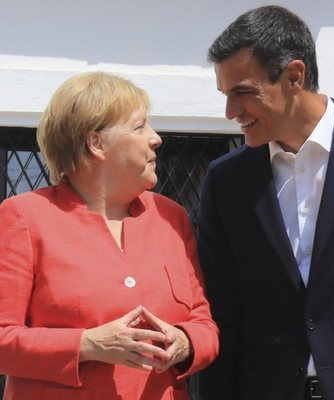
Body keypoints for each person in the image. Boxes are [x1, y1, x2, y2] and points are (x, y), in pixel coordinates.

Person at [196, 5, 334, 400]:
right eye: (225, 95)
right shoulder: (225, 180)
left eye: (243, 93)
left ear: (294, 76)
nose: (230, 112)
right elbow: (223, 308)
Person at [0, 71, 218, 400]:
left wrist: (185, 342)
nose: (156, 138)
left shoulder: (171, 217)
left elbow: (205, 326)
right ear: (96, 143)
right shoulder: (24, 217)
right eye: (139, 126)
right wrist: (87, 345)